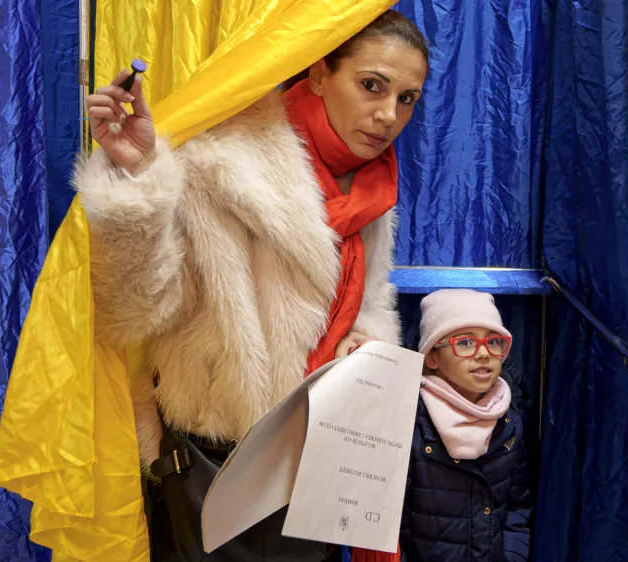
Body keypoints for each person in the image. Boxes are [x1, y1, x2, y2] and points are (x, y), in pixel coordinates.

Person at [75, 9, 429, 562]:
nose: (388, 114)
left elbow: (367, 300)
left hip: (315, 463)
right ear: (317, 74)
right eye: (371, 85)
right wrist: (134, 180)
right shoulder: (220, 160)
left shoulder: (372, 186)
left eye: (407, 98)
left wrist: (363, 340)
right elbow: (134, 311)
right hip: (217, 466)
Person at [398, 289, 532, 562]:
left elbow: (518, 506)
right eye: (466, 343)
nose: (484, 354)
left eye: (494, 342)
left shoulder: (510, 422)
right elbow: (394, 525)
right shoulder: (410, 423)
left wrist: (513, 556)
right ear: (432, 357)